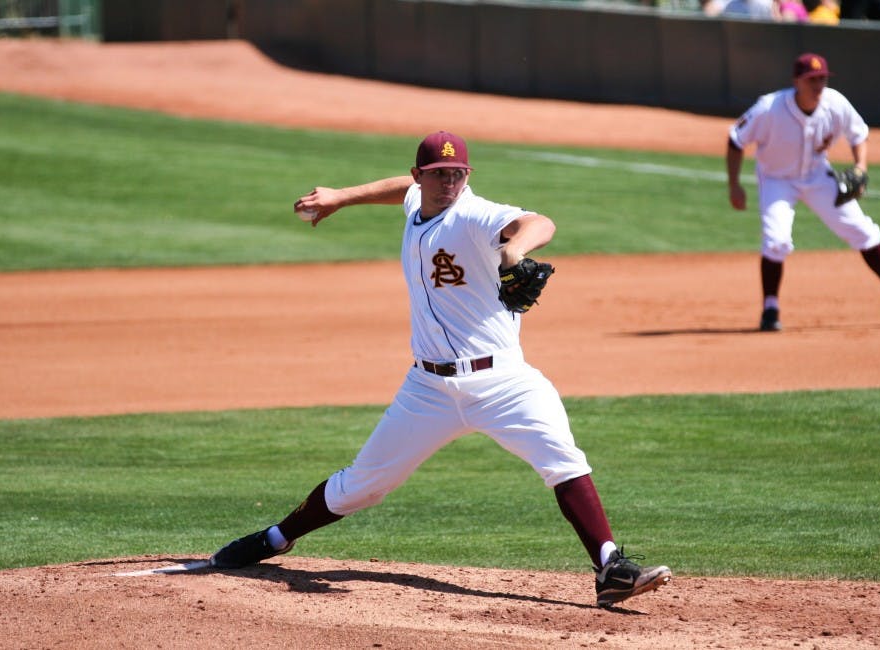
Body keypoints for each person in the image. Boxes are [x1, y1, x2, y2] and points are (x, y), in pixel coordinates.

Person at [209, 131, 672, 609]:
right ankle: (275, 538)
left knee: (563, 459)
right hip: (427, 388)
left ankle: (610, 566)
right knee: (363, 485)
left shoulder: (474, 214)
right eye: (438, 174)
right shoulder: (417, 200)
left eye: (458, 173)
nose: (449, 181)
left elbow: (538, 222)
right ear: (420, 177)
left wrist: (514, 253)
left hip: (503, 383)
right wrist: (341, 198)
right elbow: (399, 190)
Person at [725, 53, 880, 331]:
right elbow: (736, 140)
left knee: (861, 229)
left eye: (822, 78)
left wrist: (860, 167)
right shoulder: (769, 108)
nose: (819, 85)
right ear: (797, 81)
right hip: (777, 179)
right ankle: (770, 309)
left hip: (817, 175)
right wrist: (734, 184)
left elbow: (859, 134)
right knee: (776, 240)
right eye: (812, 79)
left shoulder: (835, 103)